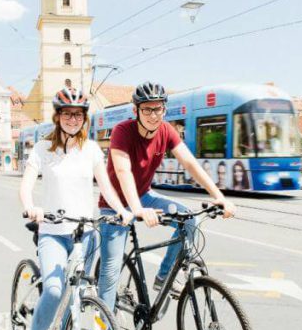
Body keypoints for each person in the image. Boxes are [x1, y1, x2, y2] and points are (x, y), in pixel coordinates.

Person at [19, 87, 132, 330]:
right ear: (57, 117)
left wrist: (121, 209)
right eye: (67, 114)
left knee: (80, 296)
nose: (73, 119)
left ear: (84, 119)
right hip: (54, 233)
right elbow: (27, 183)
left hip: (86, 233)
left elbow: (105, 186)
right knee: (55, 291)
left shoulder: (92, 149)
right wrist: (31, 207)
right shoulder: (43, 149)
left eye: (78, 114)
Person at [98, 81, 236, 309]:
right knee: (110, 273)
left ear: (164, 108)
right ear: (136, 111)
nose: (153, 115)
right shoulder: (123, 131)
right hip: (115, 206)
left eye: (158, 108)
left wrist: (219, 196)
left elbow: (190, 163)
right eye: (147, 109)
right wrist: (137, 209)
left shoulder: (166, 130)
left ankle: (164, 277)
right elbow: (123, 171)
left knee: (189, 218)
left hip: (144, 196)